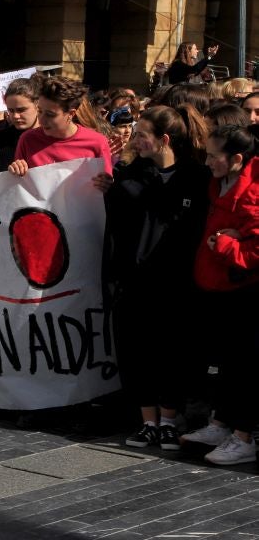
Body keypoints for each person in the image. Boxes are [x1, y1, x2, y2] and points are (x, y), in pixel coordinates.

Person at [101, 105, 210, 452]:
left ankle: (168, 419)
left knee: (171, 352)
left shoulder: (195, 177)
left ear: (164, 139)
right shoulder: (131, 175)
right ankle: (148, 422)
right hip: (134, 282)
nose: (136, 140)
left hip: (177, 283)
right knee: (136, 352)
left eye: (142, 135)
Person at [182, 124, 259, 465]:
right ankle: (221, 423)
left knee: (245, 365)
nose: (208, 161)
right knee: (227, 361)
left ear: (237, 158)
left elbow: (255, 248)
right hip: (218, 285)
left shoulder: (252, 192)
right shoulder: (220, 183)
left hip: (243, 290)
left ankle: (243, 435)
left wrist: (227, 245)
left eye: (214, 156)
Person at [9, 77, 113, 177]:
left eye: (50, 115)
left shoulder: (97, 142)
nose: (42, 119)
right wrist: (16, 170)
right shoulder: (27, 139)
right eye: (40, 111)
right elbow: (19, 186)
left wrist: (104, 183)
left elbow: (105, 183)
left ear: (71, 114)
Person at [0, 78, 40, 176]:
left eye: (21, 110)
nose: (16, 116)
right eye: (11, 110)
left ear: (37, 105)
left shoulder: (52, 139)